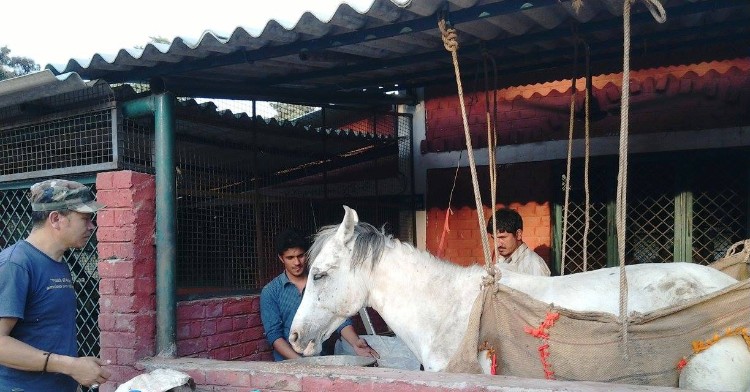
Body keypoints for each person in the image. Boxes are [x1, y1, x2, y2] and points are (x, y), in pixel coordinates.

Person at [0, 179, 111, 391]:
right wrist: (70, 366)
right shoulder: (16, 264)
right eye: (85, 218)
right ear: (56, 218)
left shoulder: (58, 263)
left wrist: (74, 373)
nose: (91, 226)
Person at [260, 228, 379, 361]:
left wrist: (355, 343)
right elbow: (274, 335)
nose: (297, 262)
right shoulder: (270, 292)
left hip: (323, 360)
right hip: (288, 366)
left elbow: (339, 319)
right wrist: (301, 363)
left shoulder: (323, 283)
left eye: (300, 255)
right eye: (290, 258)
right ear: (281, 258)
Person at [486, 208, 551, 276]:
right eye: (494, 238)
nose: (498, 244)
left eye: (502, 237)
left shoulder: (533, 265)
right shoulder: (502, 260)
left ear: (518, 234)